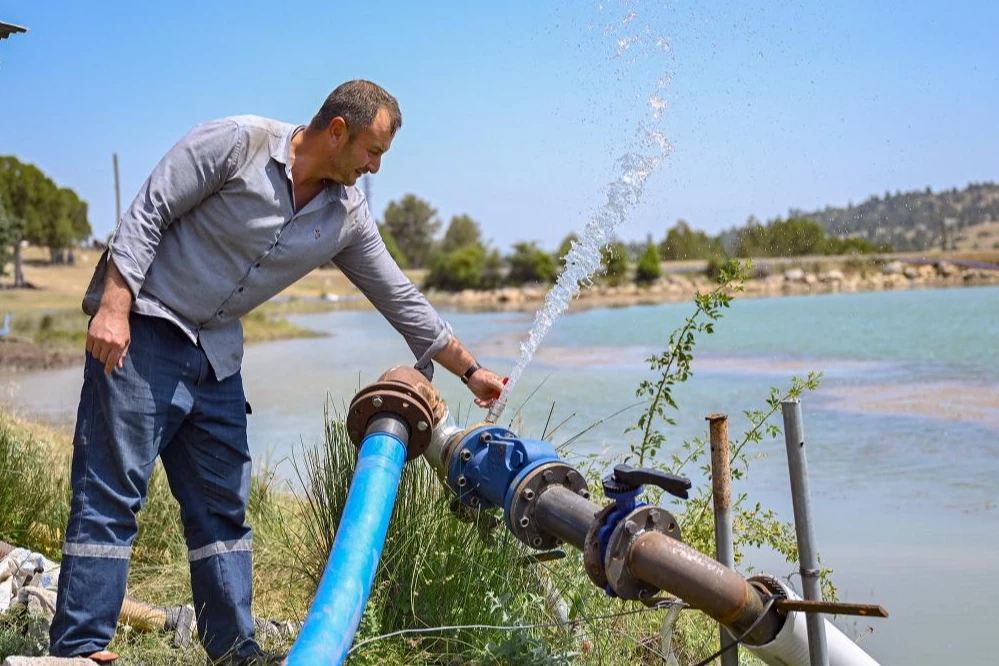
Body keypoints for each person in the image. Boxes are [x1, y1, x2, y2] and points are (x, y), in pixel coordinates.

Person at [49, 80, 505, 665]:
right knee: (112, 494)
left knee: (222, 508)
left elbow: (400, 296)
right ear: (337, 129)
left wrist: (469, 371)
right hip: (146, 330)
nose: (375, 167)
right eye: (373, 151)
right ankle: (79, 650)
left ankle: (236, 652)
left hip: (217, 355)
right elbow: (148, 210)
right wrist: (113, 306)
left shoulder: (346, 215)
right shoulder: (236, 144)